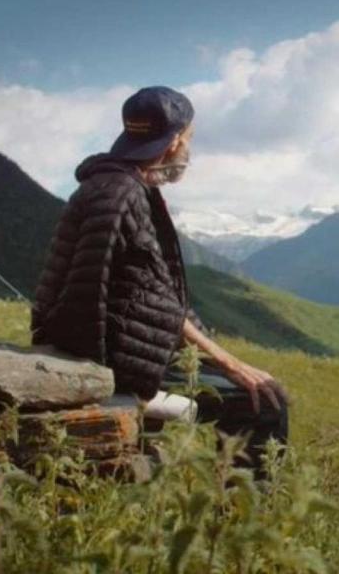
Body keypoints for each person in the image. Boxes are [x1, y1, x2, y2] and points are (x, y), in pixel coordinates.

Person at [31, 86, 287, 471]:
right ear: (173, 143)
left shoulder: (107, 185)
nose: (189, 149)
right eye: (190, 138)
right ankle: (243, 517)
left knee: (245, 387)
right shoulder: (124, 195)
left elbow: (142, 288)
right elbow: (154, 298)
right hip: (111, 358)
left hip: (105, 345)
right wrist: (228, 363)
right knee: (266, 400)